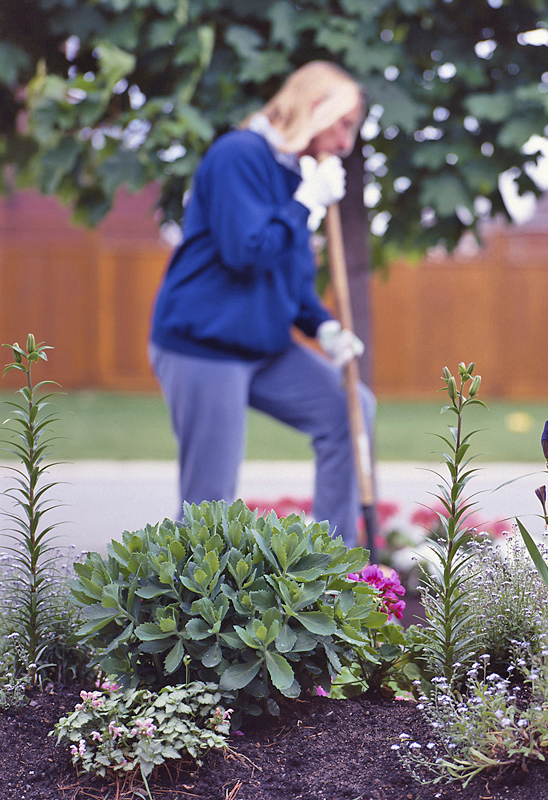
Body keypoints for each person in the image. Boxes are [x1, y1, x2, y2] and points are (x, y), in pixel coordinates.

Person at [149, 61, 375, 548]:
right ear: (314, 108)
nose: (345, 143)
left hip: (263, 346)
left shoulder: (291, 170)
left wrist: (325, 327)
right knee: (209, 500)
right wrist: (306, 203)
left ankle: (327, 566)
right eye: (343, 124)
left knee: (351, 407)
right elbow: (246, 252)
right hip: (202, 347)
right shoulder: (240, 154)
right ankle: (190, 611)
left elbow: (289, 278)